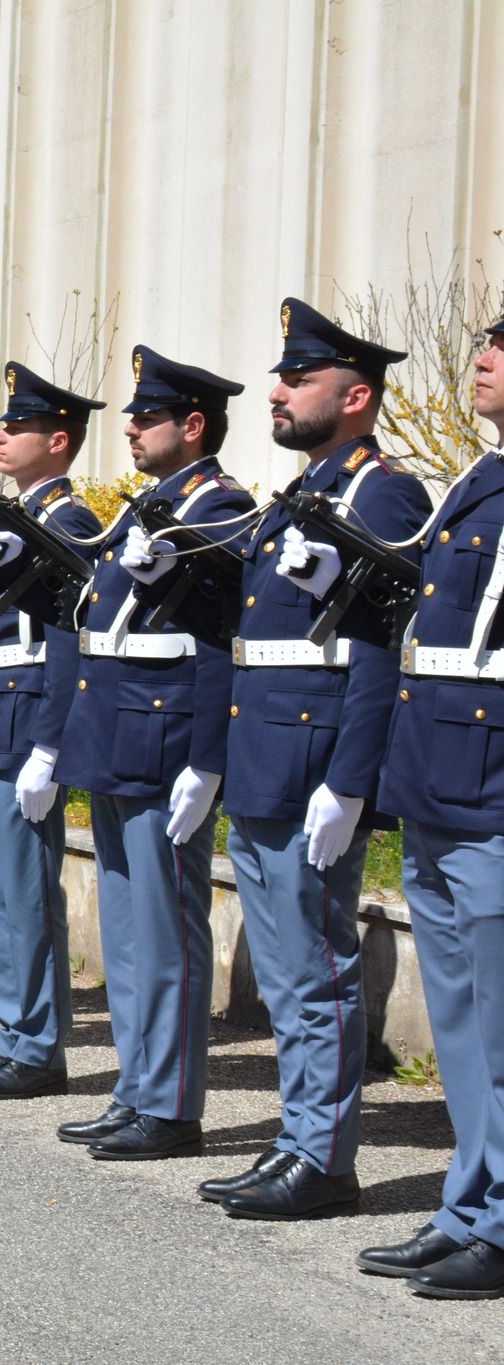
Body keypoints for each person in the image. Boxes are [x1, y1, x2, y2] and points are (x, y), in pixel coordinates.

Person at [203, 297, 431, 1220]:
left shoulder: (383, 494)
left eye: (300, 377)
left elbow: (380, 648)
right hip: (264, 756)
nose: (278, 390)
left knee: (316, 967)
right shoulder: (299, 496)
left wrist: (349, 781)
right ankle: (298, 1137)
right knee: (292, 971)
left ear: (357, 394)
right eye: (282, 375)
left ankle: (324, 1156)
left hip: (311, 769)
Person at [52, 346, 253, 1159]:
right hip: (120, 737)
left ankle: (171, 1105)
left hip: (168, 742)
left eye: (147, 416)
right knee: (129, 929)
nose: (131, 428)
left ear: (193, 425)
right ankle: (137, 1087)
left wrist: (208, 759)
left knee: (167, 929)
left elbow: (218, 643)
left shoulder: (219, 506)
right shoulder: (149, 506)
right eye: (132, 416)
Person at [361, 312, 504, 1297]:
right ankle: (467, 1205)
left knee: (497, 1023)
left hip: (491, 785)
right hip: (439, 774)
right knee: (456, 1017)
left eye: (501, 352)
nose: (481, 361)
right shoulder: (472, 477)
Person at [0, 364, 104, 1100]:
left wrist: (50, 742)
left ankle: (38, 1044)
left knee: (25, 892)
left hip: (21, 720)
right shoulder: (5, 521)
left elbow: (67, 637)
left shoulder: (67, 523)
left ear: (58, 440)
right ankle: (13, 1032)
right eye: (2, 424)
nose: (0, 435)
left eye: (19, 426)